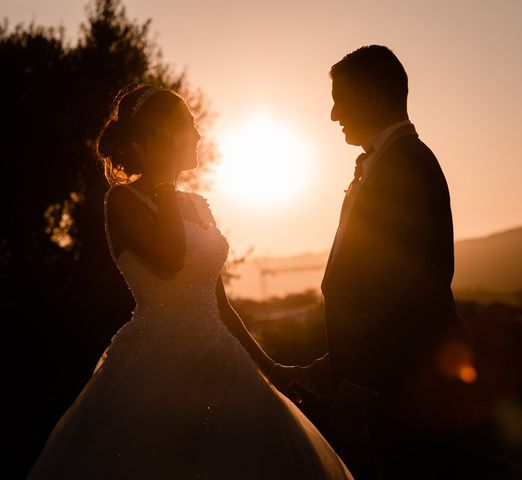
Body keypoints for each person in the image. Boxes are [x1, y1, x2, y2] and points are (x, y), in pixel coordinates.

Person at [26, 84, 352, 479]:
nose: (198, 135)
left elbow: (219, 302)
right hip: (156, 365)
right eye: (188, 125)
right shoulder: (123, 202)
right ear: (159, 135)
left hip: (221, 357)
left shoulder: (197, 204)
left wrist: (270, 367)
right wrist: (164, 182)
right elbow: (170, 259)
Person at [297, 45, 481, 478]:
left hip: (406, 383)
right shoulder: (386, 163)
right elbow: (369, 284)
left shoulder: (406, 166)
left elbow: (408, 290)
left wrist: (362, 380)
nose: (333, 114)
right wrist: (331, 362)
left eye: (340, 99)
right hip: (391, 377)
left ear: (373, 95)